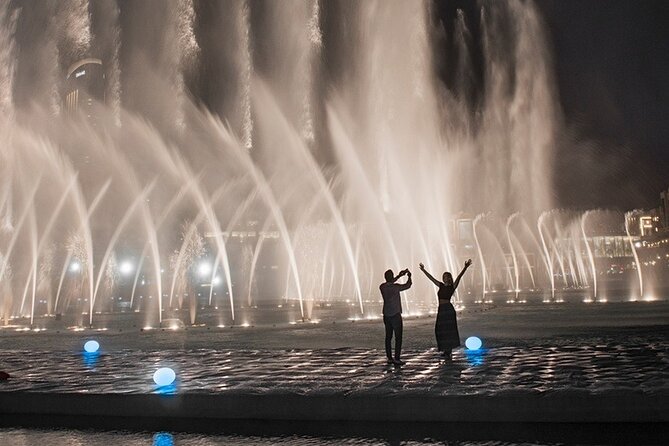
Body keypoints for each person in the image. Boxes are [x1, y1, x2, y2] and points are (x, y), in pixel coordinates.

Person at [419, 259, 472, 360]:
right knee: (440, 329)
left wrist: (465, 267)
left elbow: (459, 277)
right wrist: (423, 270)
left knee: (449, 330)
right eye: (443, 277)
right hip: (441, 309)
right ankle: (444, 349)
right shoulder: (440, 285)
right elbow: (431, 278)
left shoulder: (452, 286)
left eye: (446, 277)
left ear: (449, 278)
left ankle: (448, 351)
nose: (444, 278)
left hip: (448, 309)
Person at [379, 268, 412, 365]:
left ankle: (389, 358)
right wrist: (409, 277)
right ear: (392, 277)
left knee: (388, 337)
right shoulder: (396, 287)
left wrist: (399, 276)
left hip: (386, 314)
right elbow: (408, 285)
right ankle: (397, 358)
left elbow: (389, 282)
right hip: (395, 315)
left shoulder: (382, 287)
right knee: (398, 337)